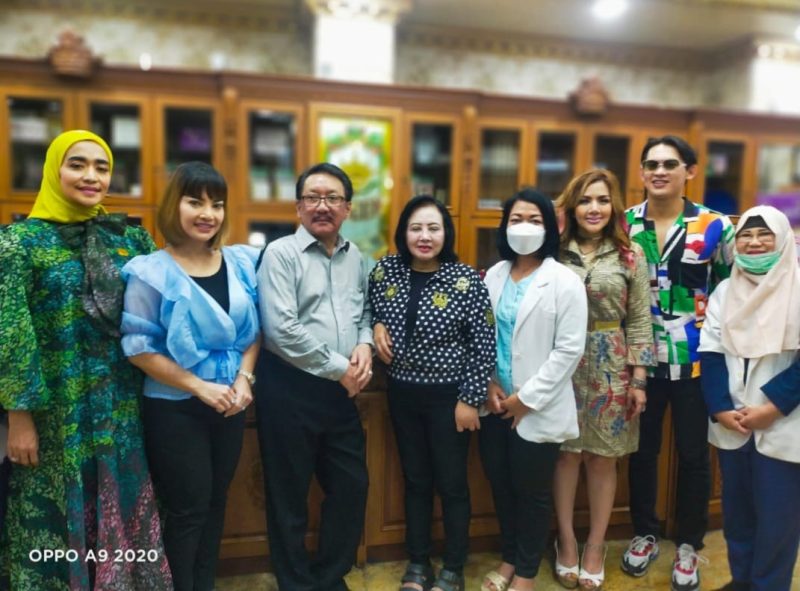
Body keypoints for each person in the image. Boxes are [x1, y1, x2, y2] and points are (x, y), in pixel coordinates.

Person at [0, 130, 172, 590]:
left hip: (123, 406)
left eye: (102, 166)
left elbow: (164, 311)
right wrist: (19, 416)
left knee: (123, 498)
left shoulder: (131, 239)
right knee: (55, 514)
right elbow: (11, 333)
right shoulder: (19, 244)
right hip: (56, 414)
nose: (91, 176)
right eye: (77, 164)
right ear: (53, 171)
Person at [121, 161, 260, 591]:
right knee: (188, 511)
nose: (208, 213)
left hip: (230, 404)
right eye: (195, 202)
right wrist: (199, 387)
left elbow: (254, 333)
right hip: (174, 407)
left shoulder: (239, 262)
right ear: (173, 206)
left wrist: (244, 379)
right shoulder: (150, 271)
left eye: (217, 204)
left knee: (217, 503)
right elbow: (139, 348)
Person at [621, 135, 734, 591]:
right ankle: (644, 533)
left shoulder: (714, 226)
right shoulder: (624, 224)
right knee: (642, 452)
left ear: (690, 171)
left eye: (670, 163)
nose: (659, 171)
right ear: (642, 172)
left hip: (696, 363)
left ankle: (689, 543)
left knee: (693, 456)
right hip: (640, 364)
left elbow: (730, 290)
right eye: (651, 164)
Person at [369, 195, 496, 591]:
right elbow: (368, 310)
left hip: (449, 399)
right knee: (415, 480)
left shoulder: (466, 280)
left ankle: (454, 567)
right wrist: (376, 326)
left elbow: (484, 344)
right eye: (416, 228)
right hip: (401, 394)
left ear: (446, 233)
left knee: (452, 484)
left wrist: (469, 399)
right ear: (403, 233)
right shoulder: (385, 271)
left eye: (433, 228)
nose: (424, 236)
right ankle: (418, 562)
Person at [255, 162, 373, 591]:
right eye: (313, 197)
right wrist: (341, 369)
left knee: (351, 487)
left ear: (348, 208)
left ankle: (327, 576)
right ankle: (296, 584)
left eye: (333, 198)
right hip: (289, 388)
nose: (323, 206)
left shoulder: (356, 256)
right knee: (288, 495)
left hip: (340, 393)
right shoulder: (280, 254)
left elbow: (365, 311)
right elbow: (281, 330)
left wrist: (364, 345)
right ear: (298, 206)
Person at [480, 188, 588, 591]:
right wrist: (489, 383)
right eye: (516, 219)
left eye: (534, 220)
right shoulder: (493, 275)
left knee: (532, 493)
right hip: (494, 403)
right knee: (502, 487)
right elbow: (482, 337)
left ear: (550, 228)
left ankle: (526, 572)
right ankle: (510, 558)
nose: (524, 227)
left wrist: (525, 399)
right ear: (504, 226)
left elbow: (569, 350)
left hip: (537, 406)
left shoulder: (565, 281)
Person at [552, 169, 655, 590]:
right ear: (572, 207)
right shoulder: (554, 251)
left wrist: (639, 379)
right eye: (584, 200)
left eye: (602, 200)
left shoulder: (630, 253)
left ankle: (595, 545)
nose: (593, 208)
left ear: (613, 206)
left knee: (602, 458)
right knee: (566, 455)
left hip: (612, 365)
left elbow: (641, 319)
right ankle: (565, 540)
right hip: (561, 364)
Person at [699, 205, 800, 591]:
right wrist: (721, 408)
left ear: (782, 239)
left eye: (764, 235)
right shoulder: (725, 291)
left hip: (783, 422)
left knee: (778, 519)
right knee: (737, 514)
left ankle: (769, 585)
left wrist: (772, 407)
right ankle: (742, 580)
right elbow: (710, 353)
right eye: (745, 235)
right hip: (734, 423)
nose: (754, 242)